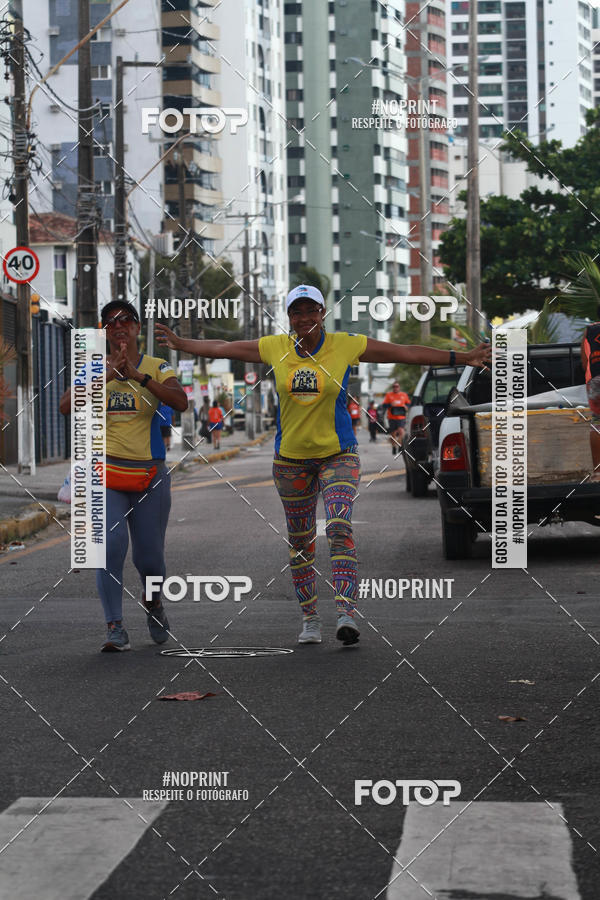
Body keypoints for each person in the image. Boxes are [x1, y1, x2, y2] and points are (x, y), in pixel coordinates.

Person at [155, 285, 491, 646]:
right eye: (296, 312)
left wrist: (463, 357)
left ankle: (347, 612)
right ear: (289, 317)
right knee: (300, 542)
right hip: (290, 461)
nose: (304, 319)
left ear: (322, 313)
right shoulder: (274, 347)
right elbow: (223, 348)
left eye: (310, 311)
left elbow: (404, 352)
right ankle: (310, 619)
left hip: (338, 455)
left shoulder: (345, 345)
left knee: (339, 525)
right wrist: (182, 344)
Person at [60, 300, 188, 652]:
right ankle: (114, 626)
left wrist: (139, 377)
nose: (118, 326)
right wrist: (110, 376)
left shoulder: (156, 366)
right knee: (109, 549)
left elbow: (180, 401)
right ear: (104, 330)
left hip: (150, 476)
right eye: (110, 322)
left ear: (136, 327)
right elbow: (66, 405)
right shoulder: (93, 368)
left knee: (149, 558)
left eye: (126, 320)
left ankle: (154, 603)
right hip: (106, 476)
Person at [581, 314, 600, 481]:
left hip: (597, 379)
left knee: (597, 423)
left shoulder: (590, 329)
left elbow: (584, 360)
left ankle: (598, 473)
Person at [383, 381, 411, 456]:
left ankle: (400, 446)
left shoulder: (404, 395)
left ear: (399, 387)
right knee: (393, 434)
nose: (395, 388)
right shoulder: (389, 395)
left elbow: (408, 403)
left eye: (397, 386)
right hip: (392, 417)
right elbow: (384, 405)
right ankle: (394, 447)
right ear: (393, 387)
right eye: (394, 386)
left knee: (401, 432)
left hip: (401, 417)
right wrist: (390, 404)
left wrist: (406, 407)